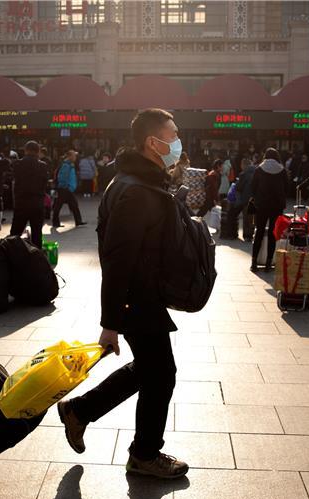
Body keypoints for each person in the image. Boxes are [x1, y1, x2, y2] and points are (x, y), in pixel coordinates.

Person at [57, 108, 188, 479]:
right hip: (136, 299)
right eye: (173, 134)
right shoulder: (135, 190)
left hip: (143, 295)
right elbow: (117, 260)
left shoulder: (140, 182)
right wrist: (110, 323)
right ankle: (144, 454)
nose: (178, 142)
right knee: (161, 375)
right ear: (153, 141)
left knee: (151, 370)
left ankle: (79, 411)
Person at [248, 148, 288, 272]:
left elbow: (252, 187)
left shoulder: (259, 169)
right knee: (272, 234)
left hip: (261, 206)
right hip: (276, 207)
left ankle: (254, 263)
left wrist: (257, 198)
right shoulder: (282, 170)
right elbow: (287, 188)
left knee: (259, 232)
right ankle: (268, 264)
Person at [10, 141, 49, 248]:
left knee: (15, 234)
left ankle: (12, 257)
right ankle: (37, 259)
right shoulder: (43, 166)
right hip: (37, 204)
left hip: (21, 203)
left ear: (25, 150)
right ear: (38, 151)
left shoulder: (17, 164)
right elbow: (45, 184)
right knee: (37, 234)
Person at [52, 150, 86, 228]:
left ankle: (78, 221)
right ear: (69, 156)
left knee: (73, 205)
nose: (75, 157)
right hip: (65, 188)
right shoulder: (66, 165)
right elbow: (63, 177)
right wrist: (65, 186)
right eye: (74, 156)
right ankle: (56, 222)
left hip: (67, 188)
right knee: (59, 206)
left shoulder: (69, 164)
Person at [226, 157, 255, 242]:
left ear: (243, 165)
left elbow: (239, 187)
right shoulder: (257, 172)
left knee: (245, 217)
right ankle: (250, 235)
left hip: (245, 198)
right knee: (251, 218)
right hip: (254, 198)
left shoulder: (244, 174)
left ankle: (245, 235)